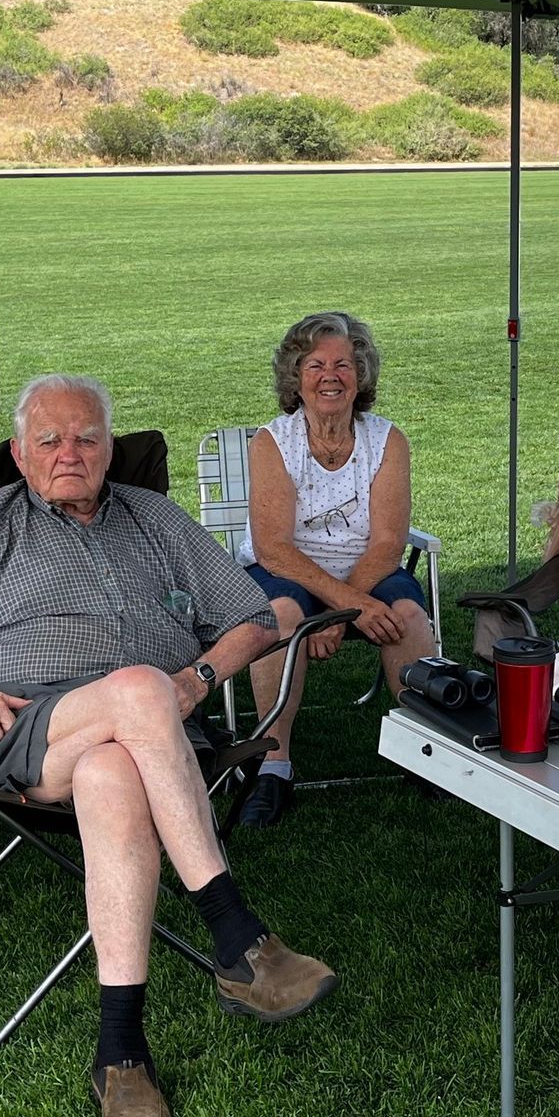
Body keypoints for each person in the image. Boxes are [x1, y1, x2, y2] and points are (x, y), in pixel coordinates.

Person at [0, 374, 336, 1117]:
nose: (68, 453)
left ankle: (121, 1055)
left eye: (86, 438)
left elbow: (252, 616)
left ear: (111, 449)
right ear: (19, 453)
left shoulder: (153, 518)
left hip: (151, 741)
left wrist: (199, 678)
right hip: (26, 732)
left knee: (115, 767)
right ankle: (236, 935)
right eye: (49, 440)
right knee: (137, 689)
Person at [232, 312, 435, 828]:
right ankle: (273, 765)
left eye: (343, 364)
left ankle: (427, 750)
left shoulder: (388, 441)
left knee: (408, 614)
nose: (330, 375)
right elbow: (273, 548)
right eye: (316, 364)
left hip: (367, 568)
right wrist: (337, 609)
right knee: (278, 615)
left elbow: (388, 543)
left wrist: (340, 613)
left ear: (360, 374)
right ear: (295, 377)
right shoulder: (272, 443)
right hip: (287, 571)